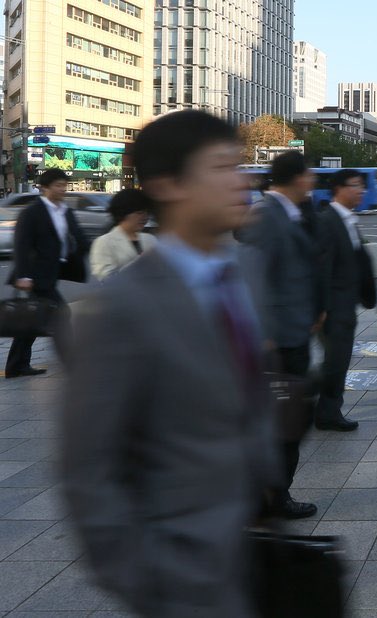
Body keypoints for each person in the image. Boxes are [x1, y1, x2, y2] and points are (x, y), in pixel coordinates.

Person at [62, 110, 280, 617]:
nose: (241, 180)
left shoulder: (245, 271)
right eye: (223, 167)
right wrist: (151, 584)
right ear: (167, 184)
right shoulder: (118, 309)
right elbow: (89, 470)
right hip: (178, 582)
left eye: (241, 165)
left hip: (252, 560)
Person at [238, 150, 321, 520]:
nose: (313, 182)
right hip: (279, 341)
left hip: (293, 332)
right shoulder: (268, 216)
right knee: (286, 420)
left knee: (290, 418)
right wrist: (265, 336)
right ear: (297, 178)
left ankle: (268, 493)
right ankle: (273, 496)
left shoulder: (288, 212)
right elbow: (256, 276)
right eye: (309, 175)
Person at [5, 168, 88, 377]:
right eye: (58, 186)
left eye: (64, 185)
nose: (62, 190)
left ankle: (16, 365)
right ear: (44, 188)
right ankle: (72, 361)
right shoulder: (32, 212)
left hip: (54, 270)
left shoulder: (65, 211)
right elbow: (22, 244)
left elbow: (78, 237)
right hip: (36, 274)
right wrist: (23, 275)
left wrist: (86, 251)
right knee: (61, 312)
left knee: (33, 318)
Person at [317, 169, 376, 431]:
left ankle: (328, 408)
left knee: (337, 359)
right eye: (356, 185)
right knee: (336, 360)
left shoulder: (347, 219)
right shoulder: (328, 221)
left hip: (345, 302)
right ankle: (328, 413)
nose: (361, 190)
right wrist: (322, 308)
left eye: (362, 186)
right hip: (334, 305)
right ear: (339, 188)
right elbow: (323, 266)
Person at [89, 188, 158, 282]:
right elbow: (107, 278)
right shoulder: (104, 242)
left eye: (147, 212)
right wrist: (139, 262)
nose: (145, 217)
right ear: (124, 213)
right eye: (139, 213)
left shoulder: (151, 240)